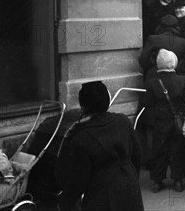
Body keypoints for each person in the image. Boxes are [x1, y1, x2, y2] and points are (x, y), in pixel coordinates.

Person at [56, 81, 144, 211]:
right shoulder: (123, 120)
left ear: (83, 106)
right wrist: (131, 179)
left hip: (102, 195)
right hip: (129, 187)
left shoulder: (82, 138)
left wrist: (65, 204)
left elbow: (77, 181)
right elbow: (137, 155)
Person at [142, 49, 185, 193]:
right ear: (173, 63)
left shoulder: (152, 82)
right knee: (177, 149)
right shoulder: (182, 80)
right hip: (177, 120)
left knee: (159, 150)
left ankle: (157, 181)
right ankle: (178, 181)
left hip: (160, 121)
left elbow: (148, 103)